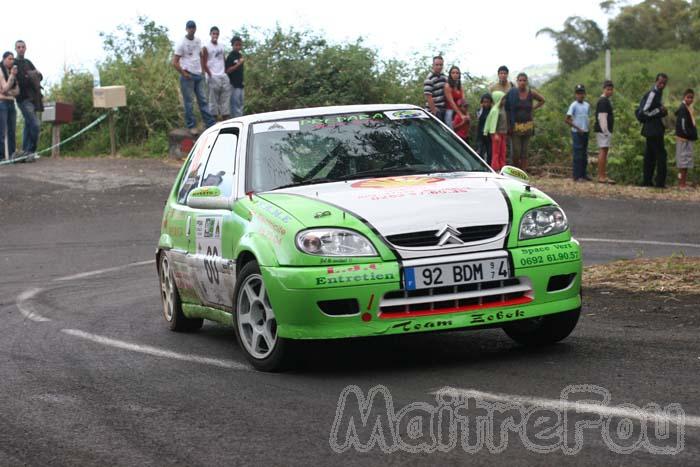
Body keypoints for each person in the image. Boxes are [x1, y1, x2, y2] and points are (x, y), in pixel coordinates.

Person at [172, 20, 215, 133]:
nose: (191, 29)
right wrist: (184, 73)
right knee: (189, 102)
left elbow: (200, 55)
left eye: (193, 27)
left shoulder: (198, 40)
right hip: (188, 75)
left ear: (195, 29)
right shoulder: (181, 43)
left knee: (203, 100)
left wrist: (202, 71)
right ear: (186, 29)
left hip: (198, 75)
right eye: (189, 28)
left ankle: (210, 123)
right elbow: (175, 62)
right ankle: (191, 126)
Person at [504, 72, 544, 171]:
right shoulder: (512, 93)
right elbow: (507, 108)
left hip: (527, 125)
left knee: (525, 151)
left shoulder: (531, 93)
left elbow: (542, 100)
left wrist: (533, 108)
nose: (522, 82)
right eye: (520, 80)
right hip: (516, 125)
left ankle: (524, 171)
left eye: (524, 80)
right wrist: (508, 124)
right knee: (516, 151)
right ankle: (515, 170)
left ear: (527, 82)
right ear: (517, 82)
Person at [638, 73, 669, 188]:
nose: (662, 85)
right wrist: (659, 111)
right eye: (660, 82)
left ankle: (647, 181)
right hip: (653, 129)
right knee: (661, 155)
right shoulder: (653, 93)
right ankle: (660, 183)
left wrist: (661, 110)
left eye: (664, 83)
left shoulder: (658, 93)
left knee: (650, 155)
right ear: (656, 81)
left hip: (652, 129)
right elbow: (644, 112)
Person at [14, 40, 42, 157]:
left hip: (32, 99)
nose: (21, 49)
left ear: (26, 48)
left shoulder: (28, 62)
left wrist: (35, 74)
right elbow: (17, 79)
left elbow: (39, 76)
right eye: (18, 47)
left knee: (28, 125)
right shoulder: (13, 62)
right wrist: (29, 76)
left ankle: (26, 151)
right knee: (35, 124)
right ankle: (31, 151)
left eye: (23, 47)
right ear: (15, 49)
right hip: (22, 99)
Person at [202, 27, 231, 121]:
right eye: (213, 33)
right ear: (210, 34)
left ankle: (225, 119)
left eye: (217, 34)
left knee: (225, 98)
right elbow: (203, 62)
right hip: (213, 75)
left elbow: (223, 59)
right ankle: (213, 121)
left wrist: (226, 72)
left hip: (222, 74)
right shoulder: (206, 46)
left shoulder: (221, 46)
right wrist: (210, 74)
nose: (215, 35)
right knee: (213, 100)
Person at [565, 84, 591, 182]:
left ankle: (584, 174)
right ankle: (577, 176)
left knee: (584, 154)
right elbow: (567, 120)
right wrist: (577, 128)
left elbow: (586, 117)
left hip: (585, 132)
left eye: (582, 93)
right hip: (577, 132)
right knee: (578, 154)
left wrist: (587, 127)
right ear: (576, 94)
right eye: (579, 93)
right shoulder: (574, 105)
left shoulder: (587, 105)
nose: (581, 95)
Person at [594, 80, 615, 184]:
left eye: (611, 89)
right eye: (608, 89)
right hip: (603, 130)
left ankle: (602, 175)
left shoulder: (606, 100)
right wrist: (606, 131)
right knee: (603, 150)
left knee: (604, 151)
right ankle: (601, 176)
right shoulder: (603, 101)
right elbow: (602, 117)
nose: (610, 91)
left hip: (604, 130)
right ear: (604, 89)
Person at [675, 88, 696, 189]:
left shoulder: (688, 107)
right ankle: (681, 184)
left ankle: (683, 182)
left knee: (686, 161)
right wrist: (687, 134)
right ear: (684, 97)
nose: (690, 99)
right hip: (683, 139)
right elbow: (682, 124)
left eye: (692, 97)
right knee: (682, 162)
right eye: (688, 97)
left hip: (688, 138)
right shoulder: (683, 108)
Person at [0, 52, 19, 160]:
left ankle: (12, 156)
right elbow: (5, 87)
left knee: (12, 131)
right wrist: (12, 75)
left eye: (13, 59)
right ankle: (1, 157)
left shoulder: (12, 72)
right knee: (2, 131)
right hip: (2, 103)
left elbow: (17, 91)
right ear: (3, 59)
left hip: (12, 103)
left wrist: (7, 92)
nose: (12, 61)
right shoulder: (1, 71)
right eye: (9, 58)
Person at [484, 90, 507, 171]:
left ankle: (502, 168)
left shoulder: (502, 109)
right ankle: (495, 168)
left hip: (503, 133)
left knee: (503, 152)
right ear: (498, 99)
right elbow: (492, 123)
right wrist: (494, 133)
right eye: (503, 99)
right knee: (496, 152)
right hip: (497, 134)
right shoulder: (495, 110)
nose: (504, 101)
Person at [225, 36, 245, 117]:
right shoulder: (230, 56)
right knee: (235, 105)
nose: (238, 47)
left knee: (241, 104)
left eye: (239, 45)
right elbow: (227, 70)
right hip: (233, 84)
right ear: (232, 45)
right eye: (236, 45)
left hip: (241, 84)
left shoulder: (240, 56)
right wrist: (238, 64)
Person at [423, 56, 447, 122]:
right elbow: (428, 97)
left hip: (443, 109)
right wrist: (434, 111)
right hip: (434, 110)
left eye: (441, 65)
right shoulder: (429, 79)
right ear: (433, 65)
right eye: (437, 65)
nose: (439, 67)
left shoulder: (444, 77)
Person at [476, 93, 493, 164]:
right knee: (480, 151)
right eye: (484, 102)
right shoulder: (479, 110)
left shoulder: (492, 111)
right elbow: (478, 117)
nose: (486, 104)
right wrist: (481, 108)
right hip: (480, 134)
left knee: (490, 152)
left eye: (488, 102)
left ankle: (488, 165)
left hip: (489, 135)